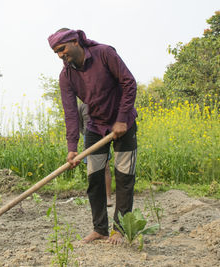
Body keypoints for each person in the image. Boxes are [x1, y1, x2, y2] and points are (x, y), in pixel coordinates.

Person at [48, 29, 137, 245]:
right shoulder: (66, 76)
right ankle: (100, 229)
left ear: (75, 41)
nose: (60, 55)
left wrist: (122, 118)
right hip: (95, 127)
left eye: (62, 49)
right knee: (94, 179)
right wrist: (72, 147)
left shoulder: (105, 53)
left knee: (124, 177)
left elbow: (129, 83)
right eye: (56, 52)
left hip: (123, 122)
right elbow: (70, 112)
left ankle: (121, 230)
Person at [78, 103, 113, 207]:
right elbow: (80, 125)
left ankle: (108, 197)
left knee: (105, 167)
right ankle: (97, 199)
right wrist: (86, 136)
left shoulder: (101, 102)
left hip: (102, 136)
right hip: (88, 137)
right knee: (92, 169)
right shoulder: (81, 107)